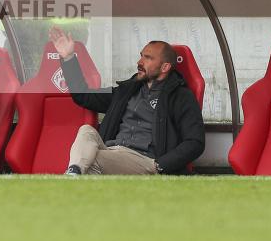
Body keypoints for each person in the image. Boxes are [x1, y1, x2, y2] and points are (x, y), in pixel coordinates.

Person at [48, 27, 205, 175]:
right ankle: (74, 172)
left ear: (165, 67)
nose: (139, 62)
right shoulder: (127, 90)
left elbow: (195, 142)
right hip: (113, 152)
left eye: (148, 58)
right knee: (86, 131)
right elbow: (84, 96)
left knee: (92, 161)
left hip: (145, 160)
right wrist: (68, 57)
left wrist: (160, 165)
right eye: (141, 55)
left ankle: (72, 178)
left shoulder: (181, 96)